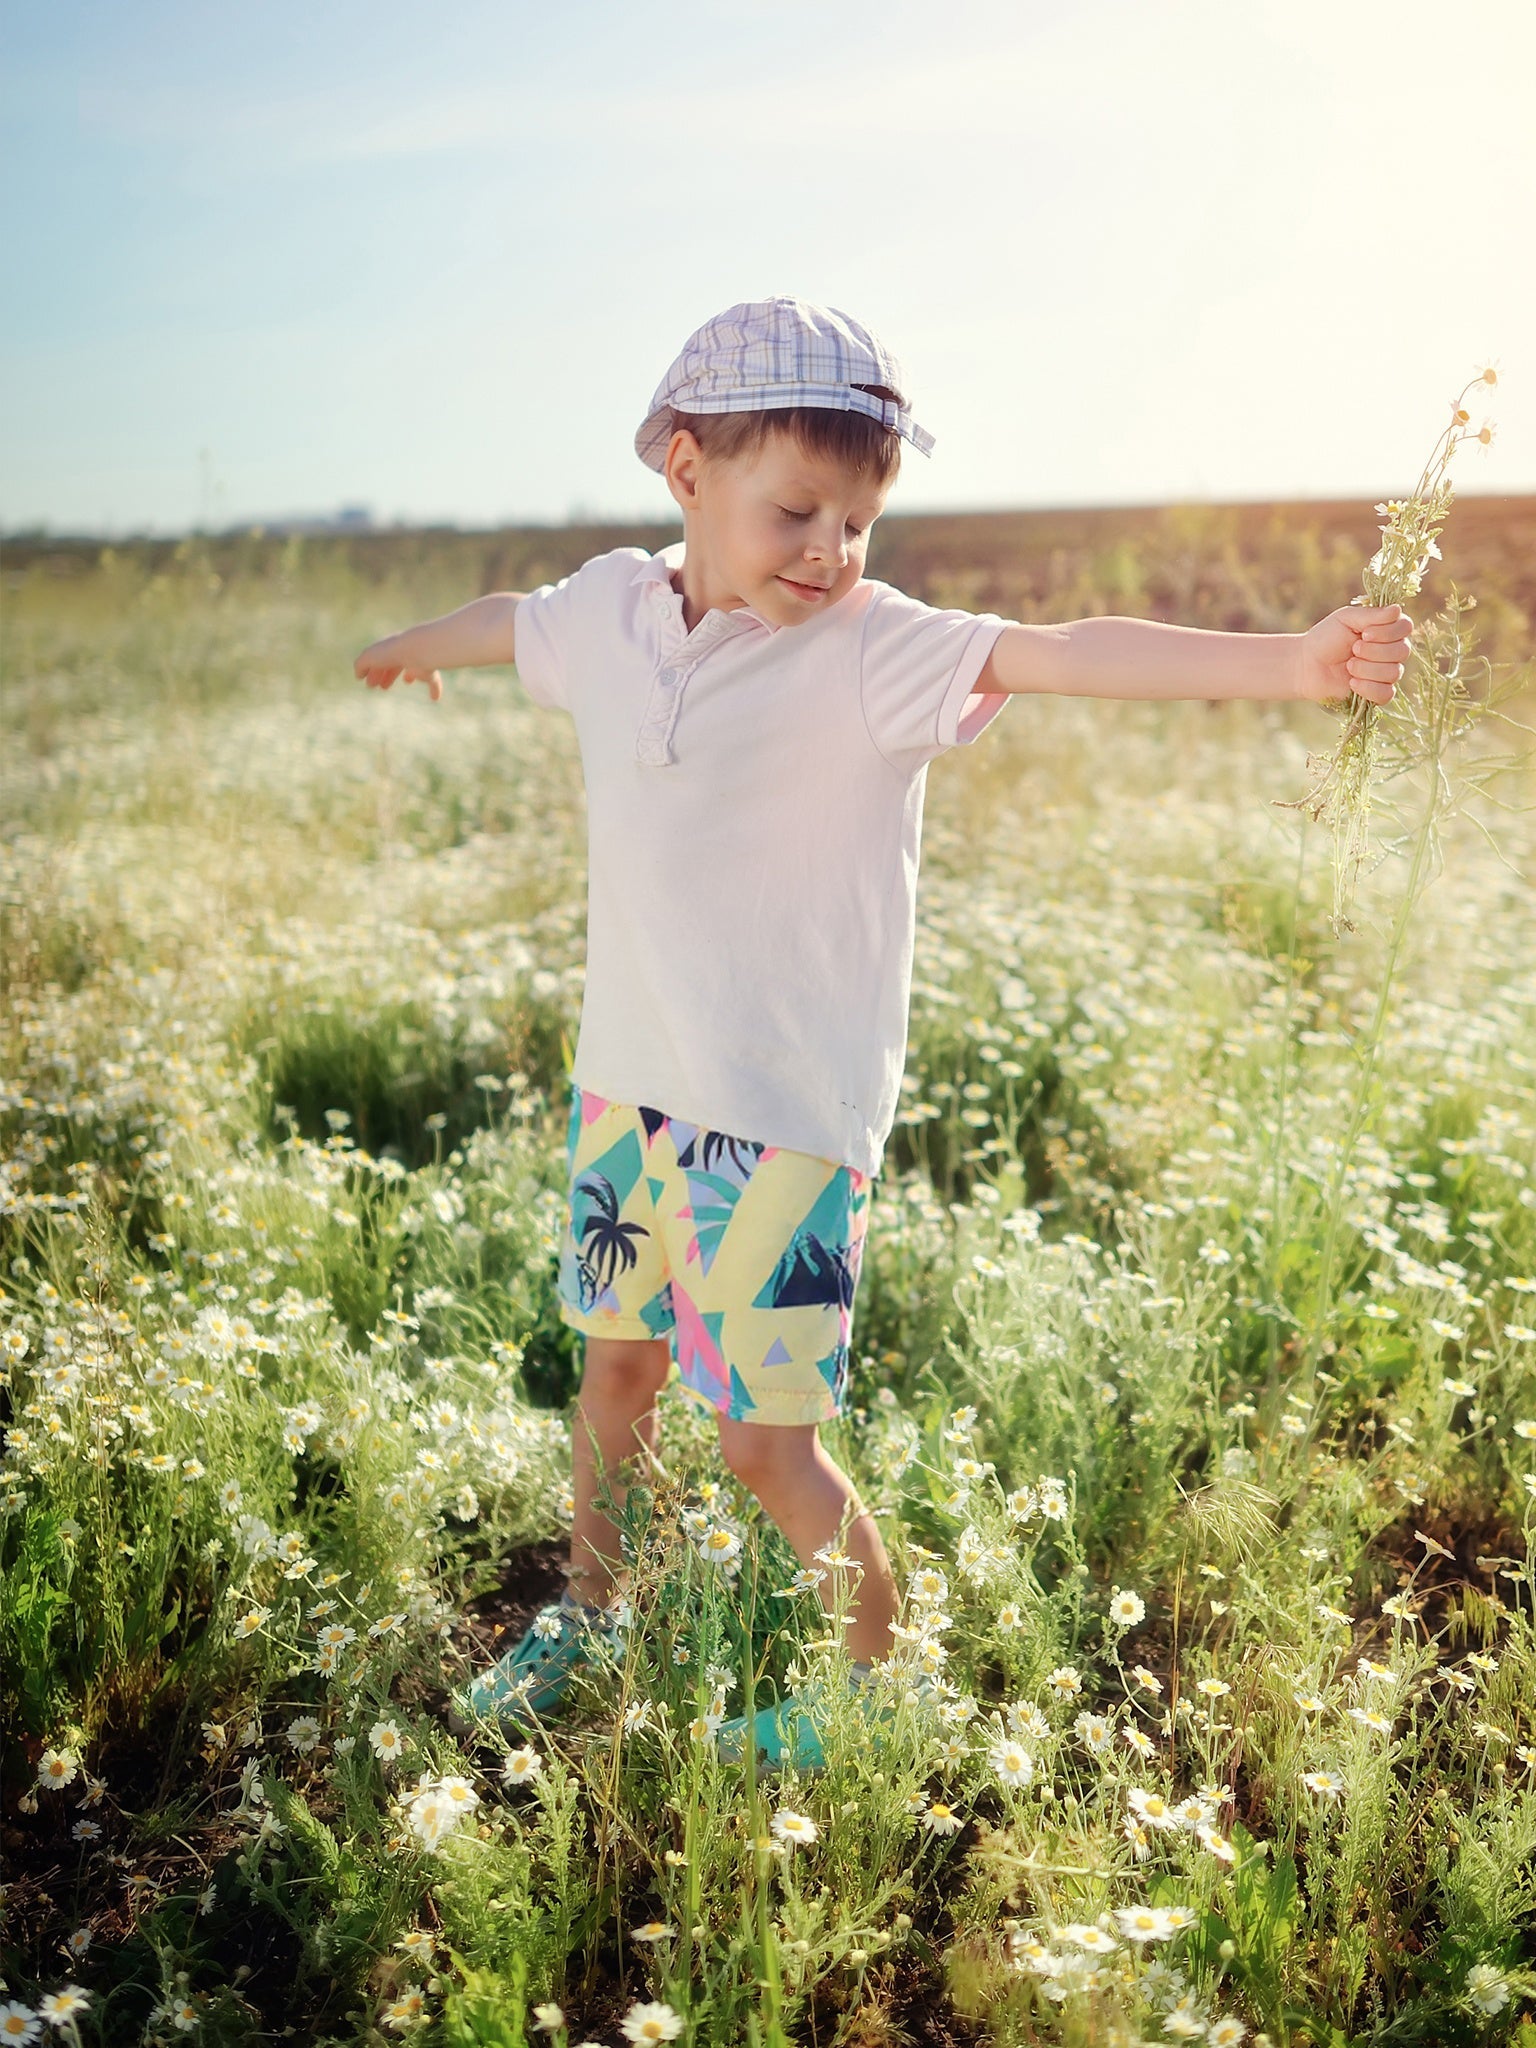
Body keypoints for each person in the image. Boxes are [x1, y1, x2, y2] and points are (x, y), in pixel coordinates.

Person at [354, 295, 1412, 1768]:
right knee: (614, 1375)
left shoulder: (871, 647)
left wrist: (1293, 663)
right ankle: (595, 1610)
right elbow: (509, 623)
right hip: (628, 1094)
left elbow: (1065, 650)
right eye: (796, 512)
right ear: (687, 470)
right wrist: (414, 644)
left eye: (857, 522)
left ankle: (874, 1687)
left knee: (762, 1441)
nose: (829, 551)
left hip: (782, 1118)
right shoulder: (605, 611)